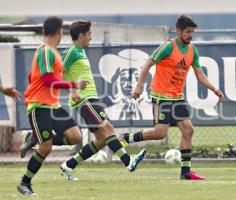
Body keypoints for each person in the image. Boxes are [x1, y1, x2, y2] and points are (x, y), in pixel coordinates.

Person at [121, 15, 224, 180]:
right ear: (178, 31)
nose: (191, 35)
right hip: (161, 96)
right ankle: (127, 138)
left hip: (177, 97)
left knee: (188, 130)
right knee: (160, 133)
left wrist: (214, 89)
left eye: (192, 32)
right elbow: (148, 63)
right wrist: (139, 86)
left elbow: (199, 74)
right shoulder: (168, 47)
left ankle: (186, 172)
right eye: (188, 32)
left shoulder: (192, 50)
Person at [59, 20, 146, 180]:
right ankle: (128, 161)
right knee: (107, 128)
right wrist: (72, 91)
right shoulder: (72, 52)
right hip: (85, 100)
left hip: (91, 98)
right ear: (81, 36)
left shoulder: (81, 52)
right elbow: (59, 73)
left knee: (100, 140)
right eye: (89, 34)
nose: (91, 38)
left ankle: (68, 165)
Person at [17, 16, 88, 196]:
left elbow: (31, 77)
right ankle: (25, 182)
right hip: (39, 106)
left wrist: (70, 90)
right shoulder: (46, 51)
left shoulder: (53, 53)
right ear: (59, 32)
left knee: (75, 136)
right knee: (46, 147)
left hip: (53, 106)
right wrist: (73, 85)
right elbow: (48, 80)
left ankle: (35, 139)